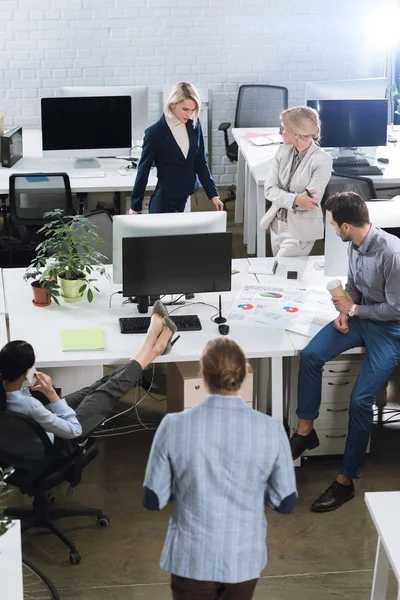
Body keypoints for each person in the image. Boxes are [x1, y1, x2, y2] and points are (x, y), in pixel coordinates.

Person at [142, 337, 297, 600]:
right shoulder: (271, 429)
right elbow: (285, 502)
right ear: (245, 373)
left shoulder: (173, 425)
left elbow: (152, 499)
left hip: (191, 559)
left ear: (202, 375)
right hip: (243, 558)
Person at [290, 192, 400, 512]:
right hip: (359, 317)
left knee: (359, 400)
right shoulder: (353, 245)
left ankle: (345, 481)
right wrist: (344, 309)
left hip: (390, 331)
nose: (333, 229)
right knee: (310, 355)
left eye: (334, 224)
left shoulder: (392, 254)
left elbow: (396, 308)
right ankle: (306, 432)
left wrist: (355, 311)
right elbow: (354, 284)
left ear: (347, 225)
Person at [0, 308, 177, 452]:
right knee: (109, 390)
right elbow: (74, 430)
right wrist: (51, 393)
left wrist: (45, 396)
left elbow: (29, 410)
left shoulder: (9, 394)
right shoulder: (30, 406)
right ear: (26, 372)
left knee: (96, 388)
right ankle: (153, 345)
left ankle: (153, 346)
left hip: (37, 428)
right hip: (62, 440)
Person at [129, 81, 223, 214]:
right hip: (164, 200)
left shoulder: (194, 125)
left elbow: (200, 162)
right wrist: (135, 206)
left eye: (193, 110)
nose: (189, 114)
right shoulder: (155, 133)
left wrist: (213, 194)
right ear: (172, 104)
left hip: (186, 195)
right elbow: (143, 169)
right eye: (185, 109)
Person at [260, 106, 333, 257]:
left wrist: (282, 196)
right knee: (281, 275)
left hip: (300, 231)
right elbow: (269, 189)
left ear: (297, 133)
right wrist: (295, 199)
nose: (280, 132)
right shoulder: (283, 151)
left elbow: (310, 202)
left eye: (283, 128)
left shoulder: (322, 160)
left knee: (280, 270)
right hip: (277, 225)